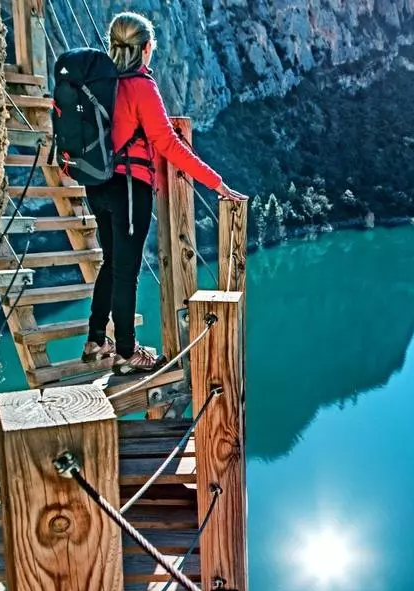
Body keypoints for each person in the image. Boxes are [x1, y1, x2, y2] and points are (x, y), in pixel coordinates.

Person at [81, 11, 246, 375]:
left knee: (111, 261)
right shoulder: (140, 86)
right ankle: (126, 352)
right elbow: (169, 144)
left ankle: (96, 340)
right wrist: (216, 182)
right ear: (146, 48)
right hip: (129, 186)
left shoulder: (100, 81)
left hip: (97, 183)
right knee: (126, 271)